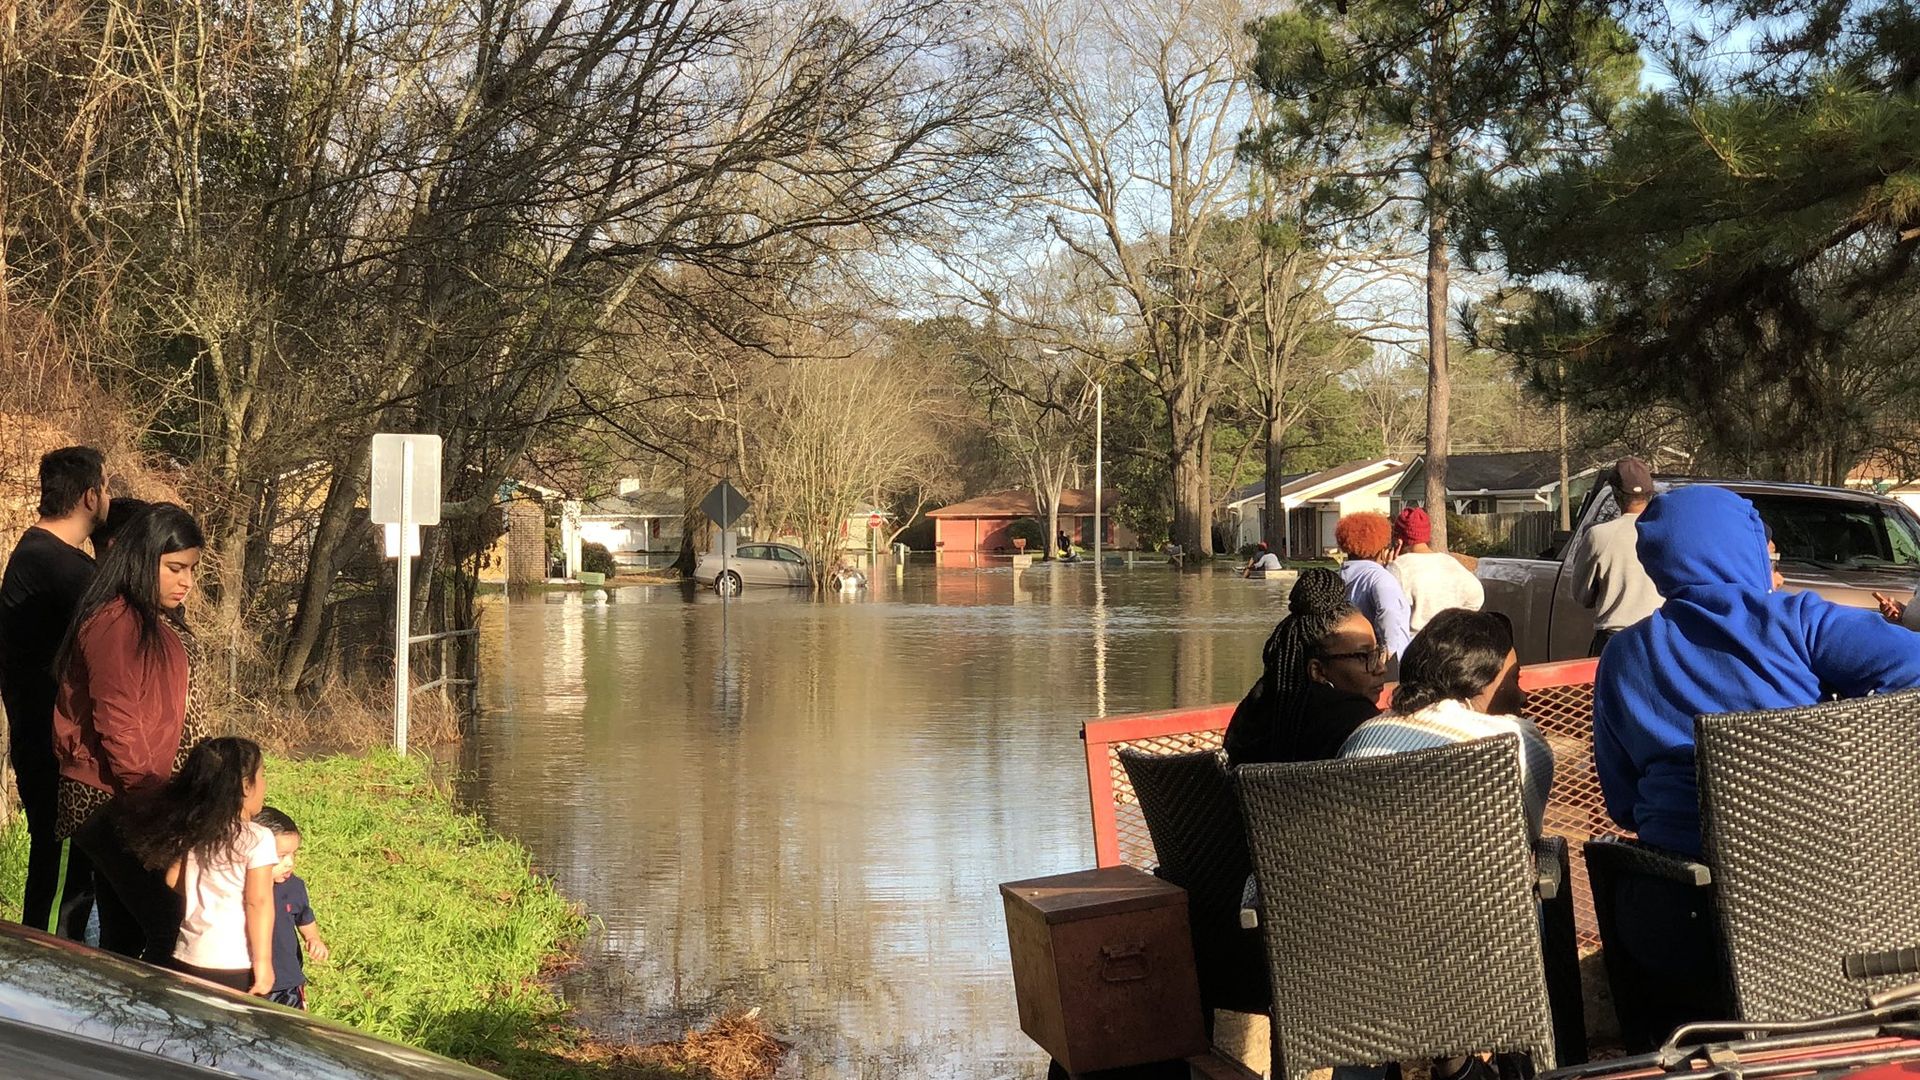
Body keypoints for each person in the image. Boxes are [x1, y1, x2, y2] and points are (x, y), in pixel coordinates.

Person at [1592, 486, 1920, 1036]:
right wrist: (1841, 738)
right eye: (1769, 554)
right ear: (1741, 550)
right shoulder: (1798, 622)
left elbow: (1623, 806)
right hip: (1823, 906)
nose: (1777, 568)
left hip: (1676, 920)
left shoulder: (1622, 656)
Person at [53, 503, 209, 961]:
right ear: (143, 558)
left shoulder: (146, 615)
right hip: (115, 796)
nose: (186, 581)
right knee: (173, 923)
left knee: (123, 937)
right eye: (175, 568)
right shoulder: (115, 621)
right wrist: (149, 801)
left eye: (192, 570)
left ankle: (113, 1029)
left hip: (141, 794)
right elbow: (117, 719)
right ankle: (154, 1029)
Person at [0, 446, 108, 937]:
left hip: (47, 741)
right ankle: (38, 973)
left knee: (65, 871)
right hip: (56, 749)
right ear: (90, 496)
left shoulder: (41, 557)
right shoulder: (58, 567)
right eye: (105, 488)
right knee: (59, 874)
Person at [1340, 608, 1554, 837]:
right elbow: (1526, 836)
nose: (1522, 695)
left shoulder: (1364, 735)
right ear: (1476, 682)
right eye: (1514, 679)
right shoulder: (1514, 741)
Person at [114, 737, 276, 993]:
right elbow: (258, 901)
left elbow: (172, 878)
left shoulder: (198, 832)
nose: (265, 783)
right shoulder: (259, 838)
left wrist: (206, 893)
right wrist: (264, 963)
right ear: (246, 786)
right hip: (233, 961)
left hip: (187, 954)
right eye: (262, 775)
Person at [1224, 569, 1384, 766]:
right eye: (1364, 656)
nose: (1380, 668)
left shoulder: (1254, 711)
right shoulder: (1358, 720)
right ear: (1317, 671)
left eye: (1377, 653)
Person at [1567, 457, 1662, 656]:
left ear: (1616, 494)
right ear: (1650, 494)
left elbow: (1580, 595)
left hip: (1616, 639)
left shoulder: (1599, 535)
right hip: (1660, 637)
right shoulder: (1668, 532)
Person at [255, 807, 330, 1008]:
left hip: (288, 980)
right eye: (281, 856)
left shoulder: (294, 887)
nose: (289, 863)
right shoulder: (244, 887)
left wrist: (313, 938)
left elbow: (304, 917)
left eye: (293, 854)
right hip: (253, 978)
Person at [1334, 511, 1412, 670]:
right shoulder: (1380, 577)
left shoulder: (1340, 575)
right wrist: (1389, 648)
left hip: (1352, 659)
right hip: (1386, 664)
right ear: (1381, 547)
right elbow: (1388, 610)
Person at [1386, 507, 1483, 632]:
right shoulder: (1450, 562)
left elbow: (1388, 608)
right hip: (1449, 640)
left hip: (1413, 643)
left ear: (1398, 541)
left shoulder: (1399, 567)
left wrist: (1386, 567)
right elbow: (1477, 596)